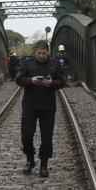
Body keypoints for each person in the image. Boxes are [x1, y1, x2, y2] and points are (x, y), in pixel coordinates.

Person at [15, 40, 66, 177]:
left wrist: (52, 83)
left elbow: (63, 81)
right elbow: (18, 79)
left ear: (48, 51)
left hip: (48, 106)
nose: (41, 55)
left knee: (47, 137)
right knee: (26, 134)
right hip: (30, 105)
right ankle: (30, 160)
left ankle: (44, 164)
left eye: (44, 53)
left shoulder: (55, 64)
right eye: (39, 53)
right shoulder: (27, 63)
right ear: (35, 51)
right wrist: (30, 81)